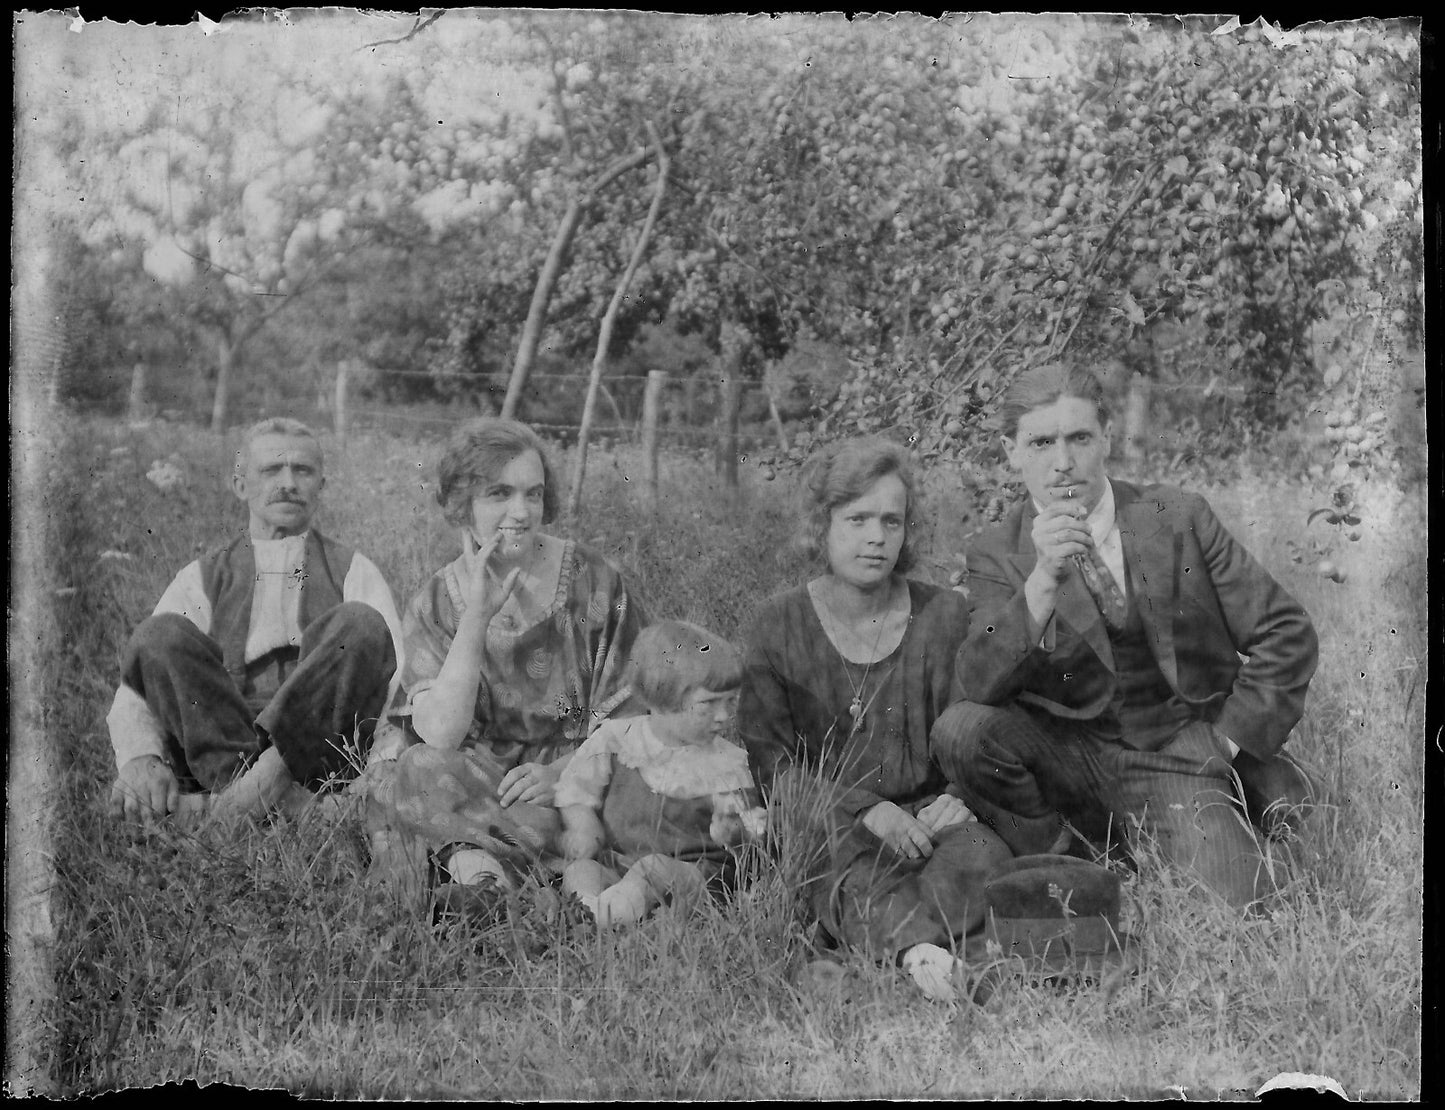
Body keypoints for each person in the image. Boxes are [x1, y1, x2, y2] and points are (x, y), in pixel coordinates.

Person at [932, 363, 1319, 910]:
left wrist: (1228, 739)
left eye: (1079, 438)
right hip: (1067, 753)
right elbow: (978, 681)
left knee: (1240, 909)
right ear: (1010, 452)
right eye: (1041, 442)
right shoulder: (997, 550)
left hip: (1173, 747)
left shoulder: (1177, 515)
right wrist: (1042, 579)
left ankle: (1203, 813)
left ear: (1107, 439)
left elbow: (1286, 631)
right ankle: (1069, 855)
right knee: (961, 730)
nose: (1062, 461)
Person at [739, 436, 1012, 1002]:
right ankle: (923, 954)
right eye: (857, 518)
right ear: (823, 525)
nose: (875, 537)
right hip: (833, 819)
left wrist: (957, 795)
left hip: (932, 821)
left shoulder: (944, 613)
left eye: (892, 521)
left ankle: (881, 953)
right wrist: (869, 811)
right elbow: (772, 766)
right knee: (835, 863)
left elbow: (973, 719)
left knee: (984, 854)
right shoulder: (776, 623)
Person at [365, 418, 649, 903]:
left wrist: (561, 774)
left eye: (533, 494)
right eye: (499, 494)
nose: (521, 511)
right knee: (413, 769)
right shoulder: (438, 598)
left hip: (578, 777)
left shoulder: (596, 580)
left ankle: (477, 871)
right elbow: (442, 735)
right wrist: (477, 615)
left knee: (626, 797)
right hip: (479, 781)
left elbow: (635, 713)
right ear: (462, 506)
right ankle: (492, 886)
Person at [106, 417, 403, 826]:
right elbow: (143, 676)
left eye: (303, 470)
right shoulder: (202, 575)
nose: (288, 482)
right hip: (221, 736)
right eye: (271, 470)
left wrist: (379, 770)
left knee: (362, 624)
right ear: (240, 485)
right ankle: (289, 805)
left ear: (321, 486)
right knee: (159, 634)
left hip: (322, 744)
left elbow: (396, 680)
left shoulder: (354, 569)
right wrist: (140, 755)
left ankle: (239, 799)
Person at [555, 620, 767, 927]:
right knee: (581, 870)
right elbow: (576, 790)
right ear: (662, 698)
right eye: (708, 704)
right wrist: (584, 829)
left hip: (694, 873)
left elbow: (749, 839)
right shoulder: (617, 739)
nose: (723, 716)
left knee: (652, 868)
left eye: (730, 702)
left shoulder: (727, 763)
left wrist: (733, 829)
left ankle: (608, 919)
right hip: (622, 863)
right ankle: (588, 914)